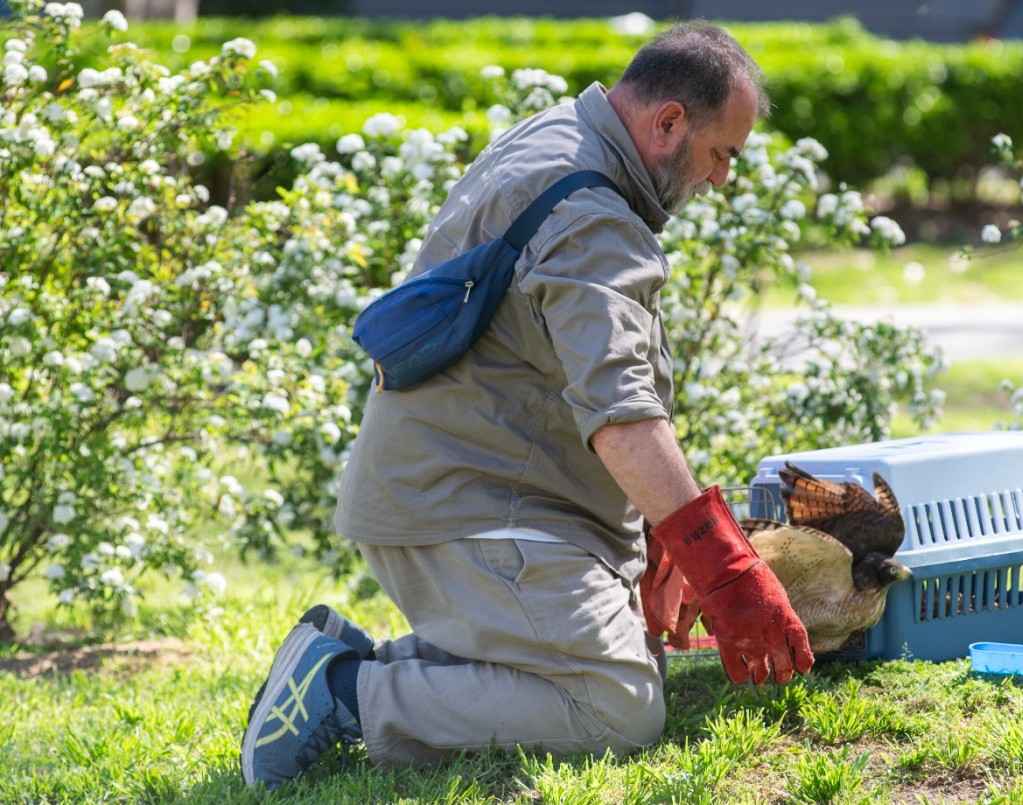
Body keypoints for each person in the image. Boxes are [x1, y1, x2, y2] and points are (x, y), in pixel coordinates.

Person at [240, 21, 813, 790]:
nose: (721, 180)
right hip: (470, 508)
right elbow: (623, 416)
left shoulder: (560, 138)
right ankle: (345, 695)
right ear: (669, 122)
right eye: (722, 154)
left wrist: (658, 539)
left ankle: (346, 665)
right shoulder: (592, 216)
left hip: (467, 491)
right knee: (616, 705)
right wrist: (726, 571)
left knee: (629, 664)